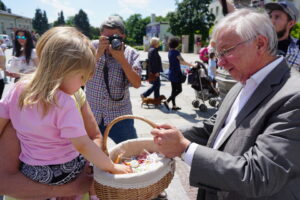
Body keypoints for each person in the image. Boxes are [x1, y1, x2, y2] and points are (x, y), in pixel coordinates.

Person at [151, 9, 300, 200]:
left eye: (227, 51)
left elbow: (259, 175)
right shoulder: (242, 83)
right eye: (217, 54)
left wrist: (184, 148)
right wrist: (161, 140)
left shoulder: (294, 96)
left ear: (260, 44)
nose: (220, 62)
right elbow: (214, 129)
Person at [0, 26, 131, 191]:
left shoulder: (17, 89)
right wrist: (111, 167)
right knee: (96, 169)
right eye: (82, 76)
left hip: (31, 170)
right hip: (64, 171)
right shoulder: (64, 101)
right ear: (63, 71)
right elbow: (83, 144)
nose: (83, 84)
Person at [85, 16, 142, 144]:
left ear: (123, 36)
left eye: (115, 38)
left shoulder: (131, 53)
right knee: (90, 157)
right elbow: (80, 76)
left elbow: (137, 83)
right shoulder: (91, 47)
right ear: (100, 35)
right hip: (92, 114)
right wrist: (98, 53)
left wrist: (122, 59)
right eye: (107, 38)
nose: (111, 42)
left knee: (131, 152)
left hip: (120, 115)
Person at [264, 1, 300, 71]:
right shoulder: (258, 44)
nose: (271, 21)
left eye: (277, 17)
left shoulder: (298, 48)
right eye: (270, 16)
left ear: (291, 23)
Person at [163, 37, 194, 111]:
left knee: (174, 90)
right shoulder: (176, 52)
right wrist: (192, 65)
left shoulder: (170, 52)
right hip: (176, 73)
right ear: (176, 44)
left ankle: (174, 106)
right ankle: (167, 101)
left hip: (171, 72)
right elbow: (182, 61)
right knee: (179, 90)